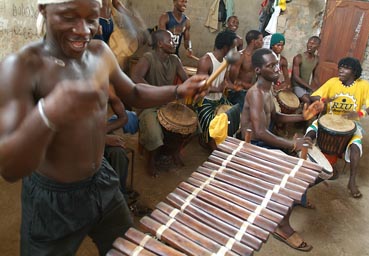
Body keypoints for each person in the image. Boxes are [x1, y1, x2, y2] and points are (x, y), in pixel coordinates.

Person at [0, 0, 207, 255]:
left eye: (91, 18)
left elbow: (132, 92)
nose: (85, 30)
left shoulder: (100, 53)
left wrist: (177, 90)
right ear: (44, 10)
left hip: (102, 183)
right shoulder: (21, 68)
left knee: (124, 248)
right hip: (53, 201)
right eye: (69, 16)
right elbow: (10, 168)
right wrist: (48, 114)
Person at [241, 48, 323, 252]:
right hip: (250, 146)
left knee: (308, 164)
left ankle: (297, 198)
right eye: (271, 66)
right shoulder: (255, 93)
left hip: (263, 141)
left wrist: (303, 118)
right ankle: (282, 226)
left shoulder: (268, 89)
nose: (277, 68)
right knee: (293, 171)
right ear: (259, 70)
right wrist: (291, 145)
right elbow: (259, 132)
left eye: (276, 64)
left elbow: (276, 117)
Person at [306, 57, 369, 198]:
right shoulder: (333, 82)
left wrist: (360, 113)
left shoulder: (363, 85)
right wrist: (323, 101)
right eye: (340, 67)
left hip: (351, 124)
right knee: (310, 132)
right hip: (327, 120)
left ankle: (351, 181)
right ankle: (303, 166)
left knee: (356, 147)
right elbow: (314, 96)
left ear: (354, 72)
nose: (341, 69)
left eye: (345, 67)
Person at [130, 29, 189, 176]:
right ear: (160, 43)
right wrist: (156, 93)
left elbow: (186, 80)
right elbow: (135, 77)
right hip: (148, 105)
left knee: (192, 127)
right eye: (170, 40)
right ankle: (151, 161)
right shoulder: (148, 57)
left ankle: (172, 152)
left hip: (167, 105)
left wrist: (195, 86)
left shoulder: (175, 60)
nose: (174, 42)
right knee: (154, 134)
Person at [196, 30, 238, 151]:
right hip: (204, 101)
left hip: (219, 100)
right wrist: (218, 89)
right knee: (213, 130)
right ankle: (214, 149)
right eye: (233, 48)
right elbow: (199, 86)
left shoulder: (225, 62)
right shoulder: (206, 60)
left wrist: (233, 86)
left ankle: (225, 146)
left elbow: (225, 81)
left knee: (235, 116)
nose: (234, 51)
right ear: (226, 47)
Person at [228, 29, 264, 109]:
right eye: (261, 40)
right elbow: (232, 79)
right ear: (253, 41)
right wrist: (245, 85)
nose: (263, 42)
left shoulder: (256, 56)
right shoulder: (240, 56)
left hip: (249, 90)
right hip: (239, 93)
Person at [292, 36, 321, 105]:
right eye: (309, 43)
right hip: (297, 86)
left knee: (319, 100)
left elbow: (315, 76)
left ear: (318, 47)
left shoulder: (317, 59)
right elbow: (296, 77)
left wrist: (320, 88)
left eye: (313, 44)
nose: (310, 45)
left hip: (307, 87)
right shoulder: (299, 57)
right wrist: (310, 87)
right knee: (308, 101)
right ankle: (302, 115)